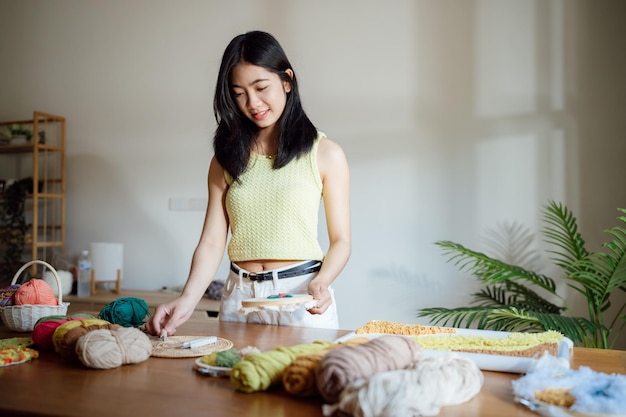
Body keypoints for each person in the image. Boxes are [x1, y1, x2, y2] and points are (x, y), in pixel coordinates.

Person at [146, 30, 351, 336]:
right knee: (233, 380)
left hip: (300, 294)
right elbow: (212, 242)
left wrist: (322, 282)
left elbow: (341, 241)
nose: (252, 103)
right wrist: (187, 298)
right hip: (239, 296)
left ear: (286, 80)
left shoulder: (325, 154)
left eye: (261, 87)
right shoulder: (225, 159)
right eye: (239, 93)